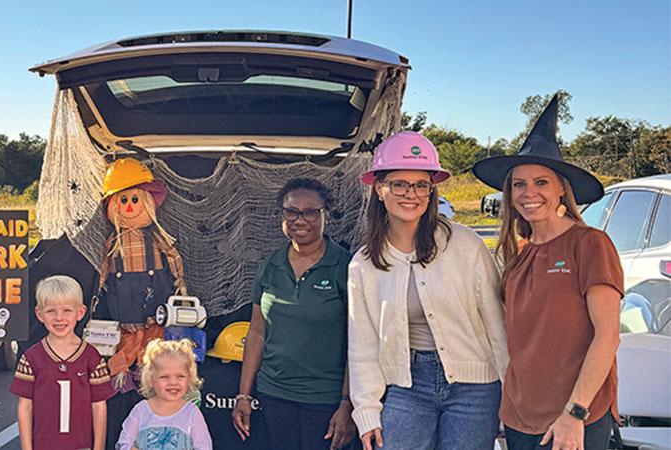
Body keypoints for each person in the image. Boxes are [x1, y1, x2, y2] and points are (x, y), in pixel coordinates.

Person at [472, 95, 622, 450]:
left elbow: (607, 336)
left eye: (541, 182)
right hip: (520, 415)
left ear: (561, 190)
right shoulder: (518, 255)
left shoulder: (589, 244)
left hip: (574, 416)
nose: (529, 193)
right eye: (519, 184)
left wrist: (575, 412)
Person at [348, 131, 508, 450]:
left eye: (421, 184)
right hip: (406, 385)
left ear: (431, 191)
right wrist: (366, 411)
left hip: (475, 387)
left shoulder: (465, 245)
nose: (412, 194)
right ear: (379, 189)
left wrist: (511, 392)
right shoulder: (363, 264)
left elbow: (498, 324)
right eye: (399, 184)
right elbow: (362, 346)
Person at [231, 178, 356, 450]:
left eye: (311, 212)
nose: (301, 219)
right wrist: (243, 395)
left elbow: (357, 342)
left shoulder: (345, 266)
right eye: (292, 211)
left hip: (325, 399)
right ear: (282, 215)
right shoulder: (270, 265)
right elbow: (257, 333)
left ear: (325, 215)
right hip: (273, 394)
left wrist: (347, 403)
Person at [12, 275, 114, 450]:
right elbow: (25, 407)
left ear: (80, 313)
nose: (59, 318)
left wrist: (98, 448)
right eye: (51, 311)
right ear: (40, 314)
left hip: (82, 445)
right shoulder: (31, 358)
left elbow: (99, 408)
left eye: (67, 311)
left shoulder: (91, 357)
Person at [117, 339, 212, 450]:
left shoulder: (192, 413)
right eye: (164, 377)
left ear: (190, 378)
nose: (173, 382)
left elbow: (204, 447)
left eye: (180, 376)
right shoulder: (140, 410)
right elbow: (124, 443)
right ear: (150, 379)